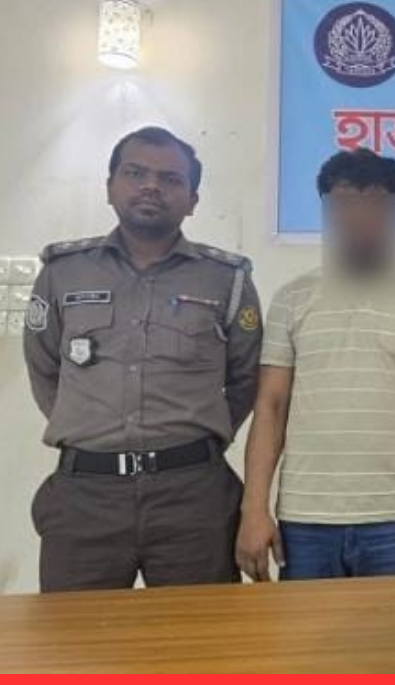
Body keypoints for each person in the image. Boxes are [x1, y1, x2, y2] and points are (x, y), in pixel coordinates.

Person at [23, 126, 262, 592]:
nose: (151, 186)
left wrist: (193, 439)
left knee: (200, 632)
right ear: (110, 186)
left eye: (170, 179)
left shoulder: (226, 279)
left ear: (193, 200)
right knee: (75, 634)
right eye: (135, 173)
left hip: (193, 495)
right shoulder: (62, 272)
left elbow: (246, 377)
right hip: (85, 495)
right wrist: (92, 428)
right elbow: (44, 366)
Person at [235, 148, 395, 581]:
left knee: (394, 628)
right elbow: (270, 407)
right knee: (303, 628)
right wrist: (254, 509)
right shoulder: (292, 298)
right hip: (306, 518)